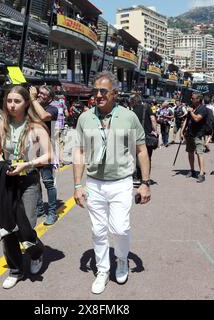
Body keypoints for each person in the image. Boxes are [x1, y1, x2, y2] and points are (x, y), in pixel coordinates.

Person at [73, 71, 151, 294]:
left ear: (114, 94)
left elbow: (142, 151)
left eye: (103, 91)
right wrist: (78, 185)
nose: (98, 95)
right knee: (98, 230)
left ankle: (122, 259)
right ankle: (102, 269)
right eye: (95, 91)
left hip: (121, 182)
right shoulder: (85, 118)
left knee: (120, 227)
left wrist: (144, 183)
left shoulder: (128, 116)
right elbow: (79, 152)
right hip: (95, 183)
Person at [0, 85, 52, 289]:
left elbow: (49, 155)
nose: (12, 105)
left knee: (26, 227)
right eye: (9, 101)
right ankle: (15, 268)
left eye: (17, 101)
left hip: (29, 181)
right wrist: (2, 164)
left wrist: (28, 164)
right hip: (8, 181)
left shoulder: (36, 127)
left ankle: (36, 252)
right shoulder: (1, 126)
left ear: (26, 103)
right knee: (7, 228)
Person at [29, 85, 59, 225]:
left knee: (48, 183)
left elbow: (43, 116)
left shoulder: (53, 109)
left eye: (44, 94)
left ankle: (52, 212)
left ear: (50, 99)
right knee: (34, 182)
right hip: (31, 150)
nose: (40, 95)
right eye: (39, 93)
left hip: (45, 151)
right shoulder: (31, 105)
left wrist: (33, 99)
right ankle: (40, 208)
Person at [128, 93, 158, 185]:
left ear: (133, 102)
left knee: (135, 157)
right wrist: (155, 130)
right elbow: (153, 119)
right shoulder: (147, 107)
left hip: (135, 137)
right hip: (147, 136)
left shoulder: (131, 112)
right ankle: (145, 178)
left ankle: (136, 178)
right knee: (147, 157)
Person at [180, 92, 209, 183]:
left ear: (198, 99)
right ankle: (192, 170)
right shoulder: (191, 107)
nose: (191, 99)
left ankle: (201, 173)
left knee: (199, 153)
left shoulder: (203, 109)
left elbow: (197, 119)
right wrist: (182, 131)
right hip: (189, 134)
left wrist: (191, 112)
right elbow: (186, 120)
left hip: (198, 134)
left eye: (193, 98)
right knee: (190, 152)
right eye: (191, 98)